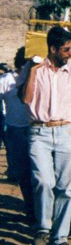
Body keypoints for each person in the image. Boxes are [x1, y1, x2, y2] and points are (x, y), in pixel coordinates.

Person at [19, 26, 71, 245]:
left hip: (67, 131)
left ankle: (60, 238)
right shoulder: (32, 69)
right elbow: (25, 98)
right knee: (43, 181)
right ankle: (43, 229)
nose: (70, 53)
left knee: (66, 186)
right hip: (39, 132)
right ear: (52, 49)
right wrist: (34, 71)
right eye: (66, 49)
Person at [0, 47, 34, 221]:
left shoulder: (37, 78)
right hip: (16, 131)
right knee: (23, 172)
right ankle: (30, 207)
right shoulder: (7, 80)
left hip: (36, 130)